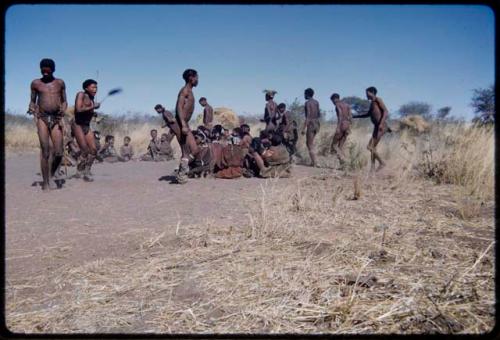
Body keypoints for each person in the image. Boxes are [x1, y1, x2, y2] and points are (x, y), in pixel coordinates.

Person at [28, 58, 68, 190]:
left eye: (47, 69)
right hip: (42, 118)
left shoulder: (60, 83)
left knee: (58, 152)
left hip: (56, 118)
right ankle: (45, 182)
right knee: (45, 150)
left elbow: (64, 101)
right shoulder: (35, 83)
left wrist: (63, 108)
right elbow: (33, 101)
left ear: (53, 69)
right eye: (42, 69)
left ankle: (51, 173)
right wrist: (32, 108)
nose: (45, 72)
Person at [352, 86, 389, 172]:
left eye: (367, 93)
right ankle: (372, 169)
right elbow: (368, 114)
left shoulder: (378, 100)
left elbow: (386, 111)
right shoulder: (372, 103)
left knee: (370, 147)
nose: (366, 95)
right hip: (377, 127)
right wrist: (355, 116)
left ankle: (382, 163)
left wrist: (381, 123)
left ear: (372, 92)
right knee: (373, 148)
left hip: (381, 126)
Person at [174, 69, 200, 184]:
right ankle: (181, 174)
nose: (197, 80)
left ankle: (181, 172)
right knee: (189, 151)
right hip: (181, 124)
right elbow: (179, 107)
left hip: (184, 124)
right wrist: (183, 125)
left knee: (194, 150)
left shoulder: (190, 91)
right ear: (191, 78)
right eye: (196, 77)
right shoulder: (184, 91)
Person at [72, 79, 100, 182]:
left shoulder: (92, 99)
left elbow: (88, 112)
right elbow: (78, 109)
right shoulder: (81, 95)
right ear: (86, 88)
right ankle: (79, 171)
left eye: (96, 87)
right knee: (84, 149)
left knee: (93, 150)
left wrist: (93, 110)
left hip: (86, 126)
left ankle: (87, 171)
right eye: (93, 87)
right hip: (77, 124)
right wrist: (93, 106)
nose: (95, 89)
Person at [330, 93, 352, 168]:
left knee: (334, 146)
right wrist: (349, 127)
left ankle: (343, 162)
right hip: (347, 125)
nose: (332, 103)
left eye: (332, 101)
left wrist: (338, 127)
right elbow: (350, 117)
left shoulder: (337, 105)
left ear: (335, 99)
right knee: (340, 147)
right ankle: (345, 164)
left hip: (342, 125)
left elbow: (340, 116)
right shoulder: (347, 105)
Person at [301, 88, 320, 167]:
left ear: (307, 94)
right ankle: (314, 161)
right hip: (317, 123)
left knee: (309, 144)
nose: (304, 95)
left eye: (305, 94)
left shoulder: (307, 103)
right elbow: (318, 114)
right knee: (311, 143)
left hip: (311, 124)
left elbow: (308, 116)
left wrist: (304, 128)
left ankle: (315, 162)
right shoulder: (316, 102)